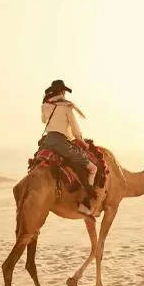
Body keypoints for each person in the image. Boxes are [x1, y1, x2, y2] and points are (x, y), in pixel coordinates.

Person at [40, 79, 97, 214]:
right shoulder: (66, 107)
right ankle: (85, 203)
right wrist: (82, 143)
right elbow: (75, 131)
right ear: (62, 91)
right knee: (93, 168)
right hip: (62, 144)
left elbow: (43, 120)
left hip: (47, 142)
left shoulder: (45, 105)